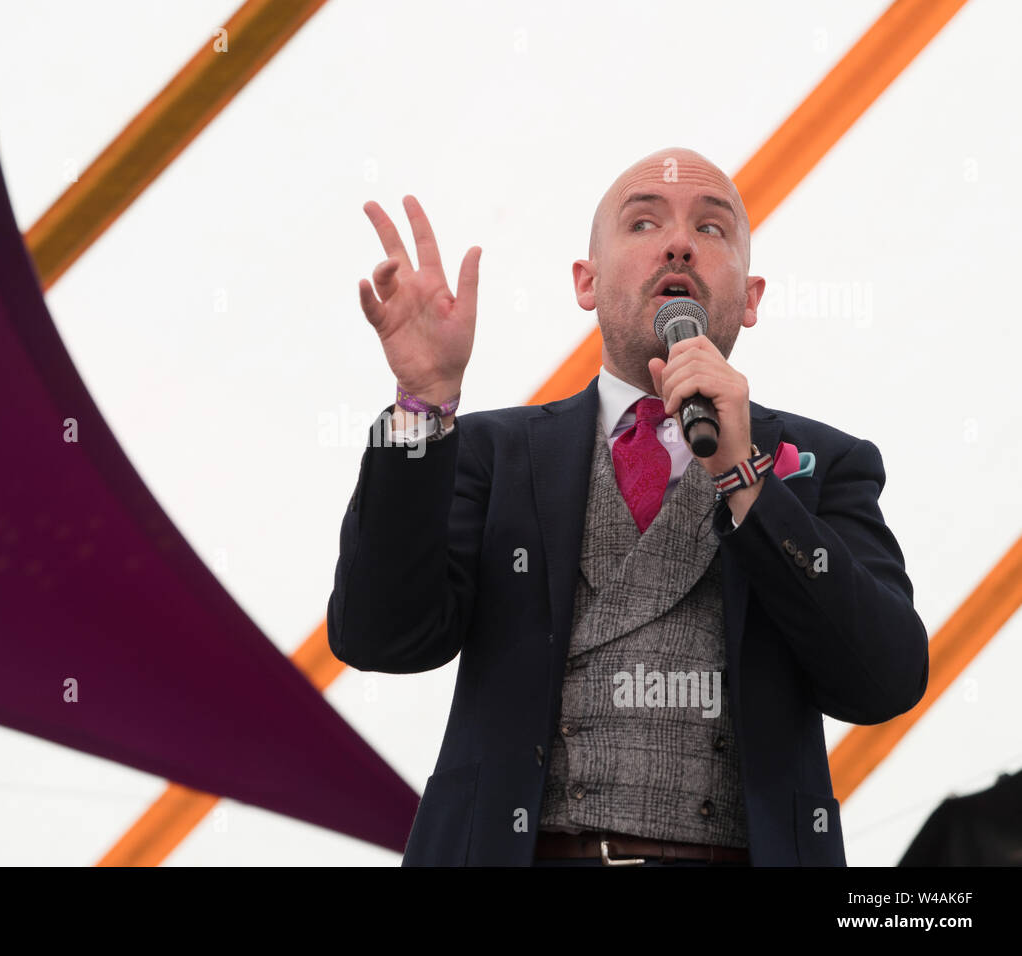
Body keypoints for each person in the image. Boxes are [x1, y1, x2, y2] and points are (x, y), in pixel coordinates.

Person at [326, 147, 929, 867]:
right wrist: (422, 404)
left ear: (753, 296)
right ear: (586, 282)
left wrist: (747, 481)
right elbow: (379, 636)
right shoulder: (492, 452)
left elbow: (886, 678)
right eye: (644, 222)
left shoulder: (824, 463)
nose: (678, 242)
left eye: (712, 230)